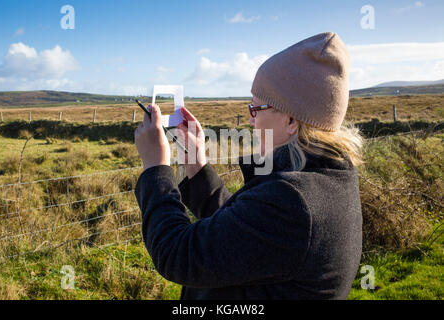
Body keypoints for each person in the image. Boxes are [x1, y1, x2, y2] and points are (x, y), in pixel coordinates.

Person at [134, 32, 364, 299]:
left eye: (256, 109)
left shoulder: (294, 201)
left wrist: (155, 167)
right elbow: (244, 235)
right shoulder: (330, 176)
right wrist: (195, 165)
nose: (251, 121)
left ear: (291, 120)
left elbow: (178, 254)